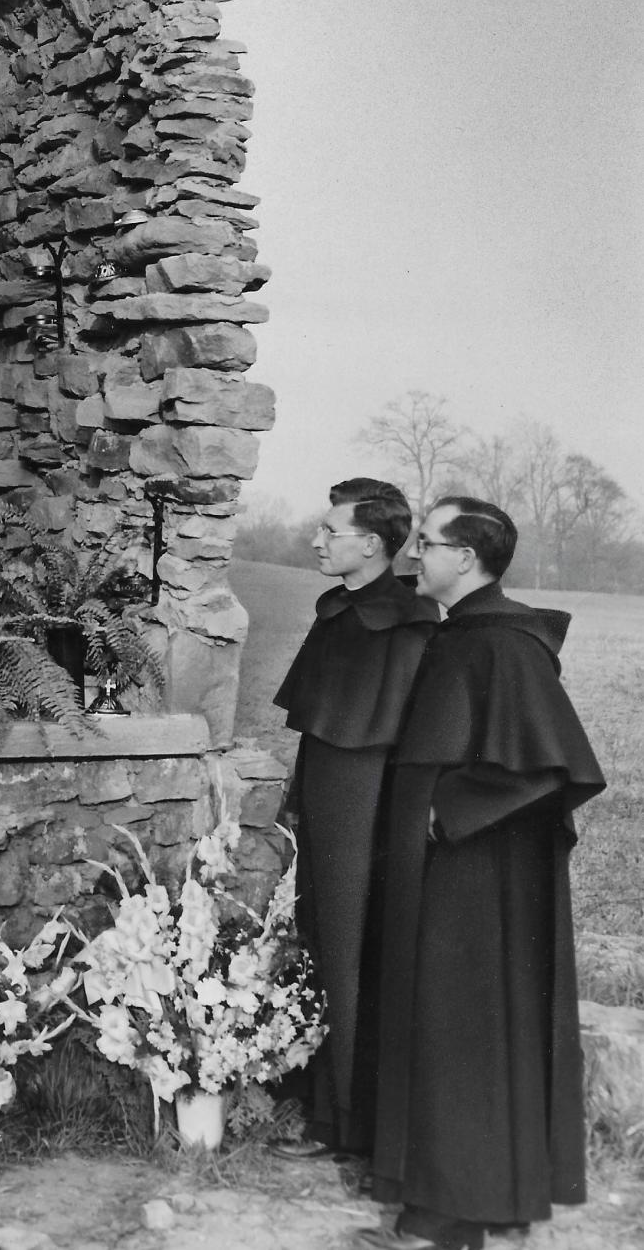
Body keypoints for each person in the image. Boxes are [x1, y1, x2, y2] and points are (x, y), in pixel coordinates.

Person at [361, 498, 605, 1250]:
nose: (411, 558)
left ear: (465, 558)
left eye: (426, 545)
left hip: (476, 877)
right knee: (441, 1031)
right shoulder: (465, 632)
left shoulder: (504, 642)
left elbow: (553, 761)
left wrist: (448, 811)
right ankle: (446, 1202)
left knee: (459, 1034)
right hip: (447, 868)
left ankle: (452, 1217)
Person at [272, 478, 439, 1161]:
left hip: (368, 814)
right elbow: (322, 727)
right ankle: (325, 1108)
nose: (317, 539)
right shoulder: (338, 611)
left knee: (354, 958)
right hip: (328, 804)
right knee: (321, 947)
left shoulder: (411, 622)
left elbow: (407, 737)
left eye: (330, 530)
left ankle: (350, 1124)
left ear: (370, 544)